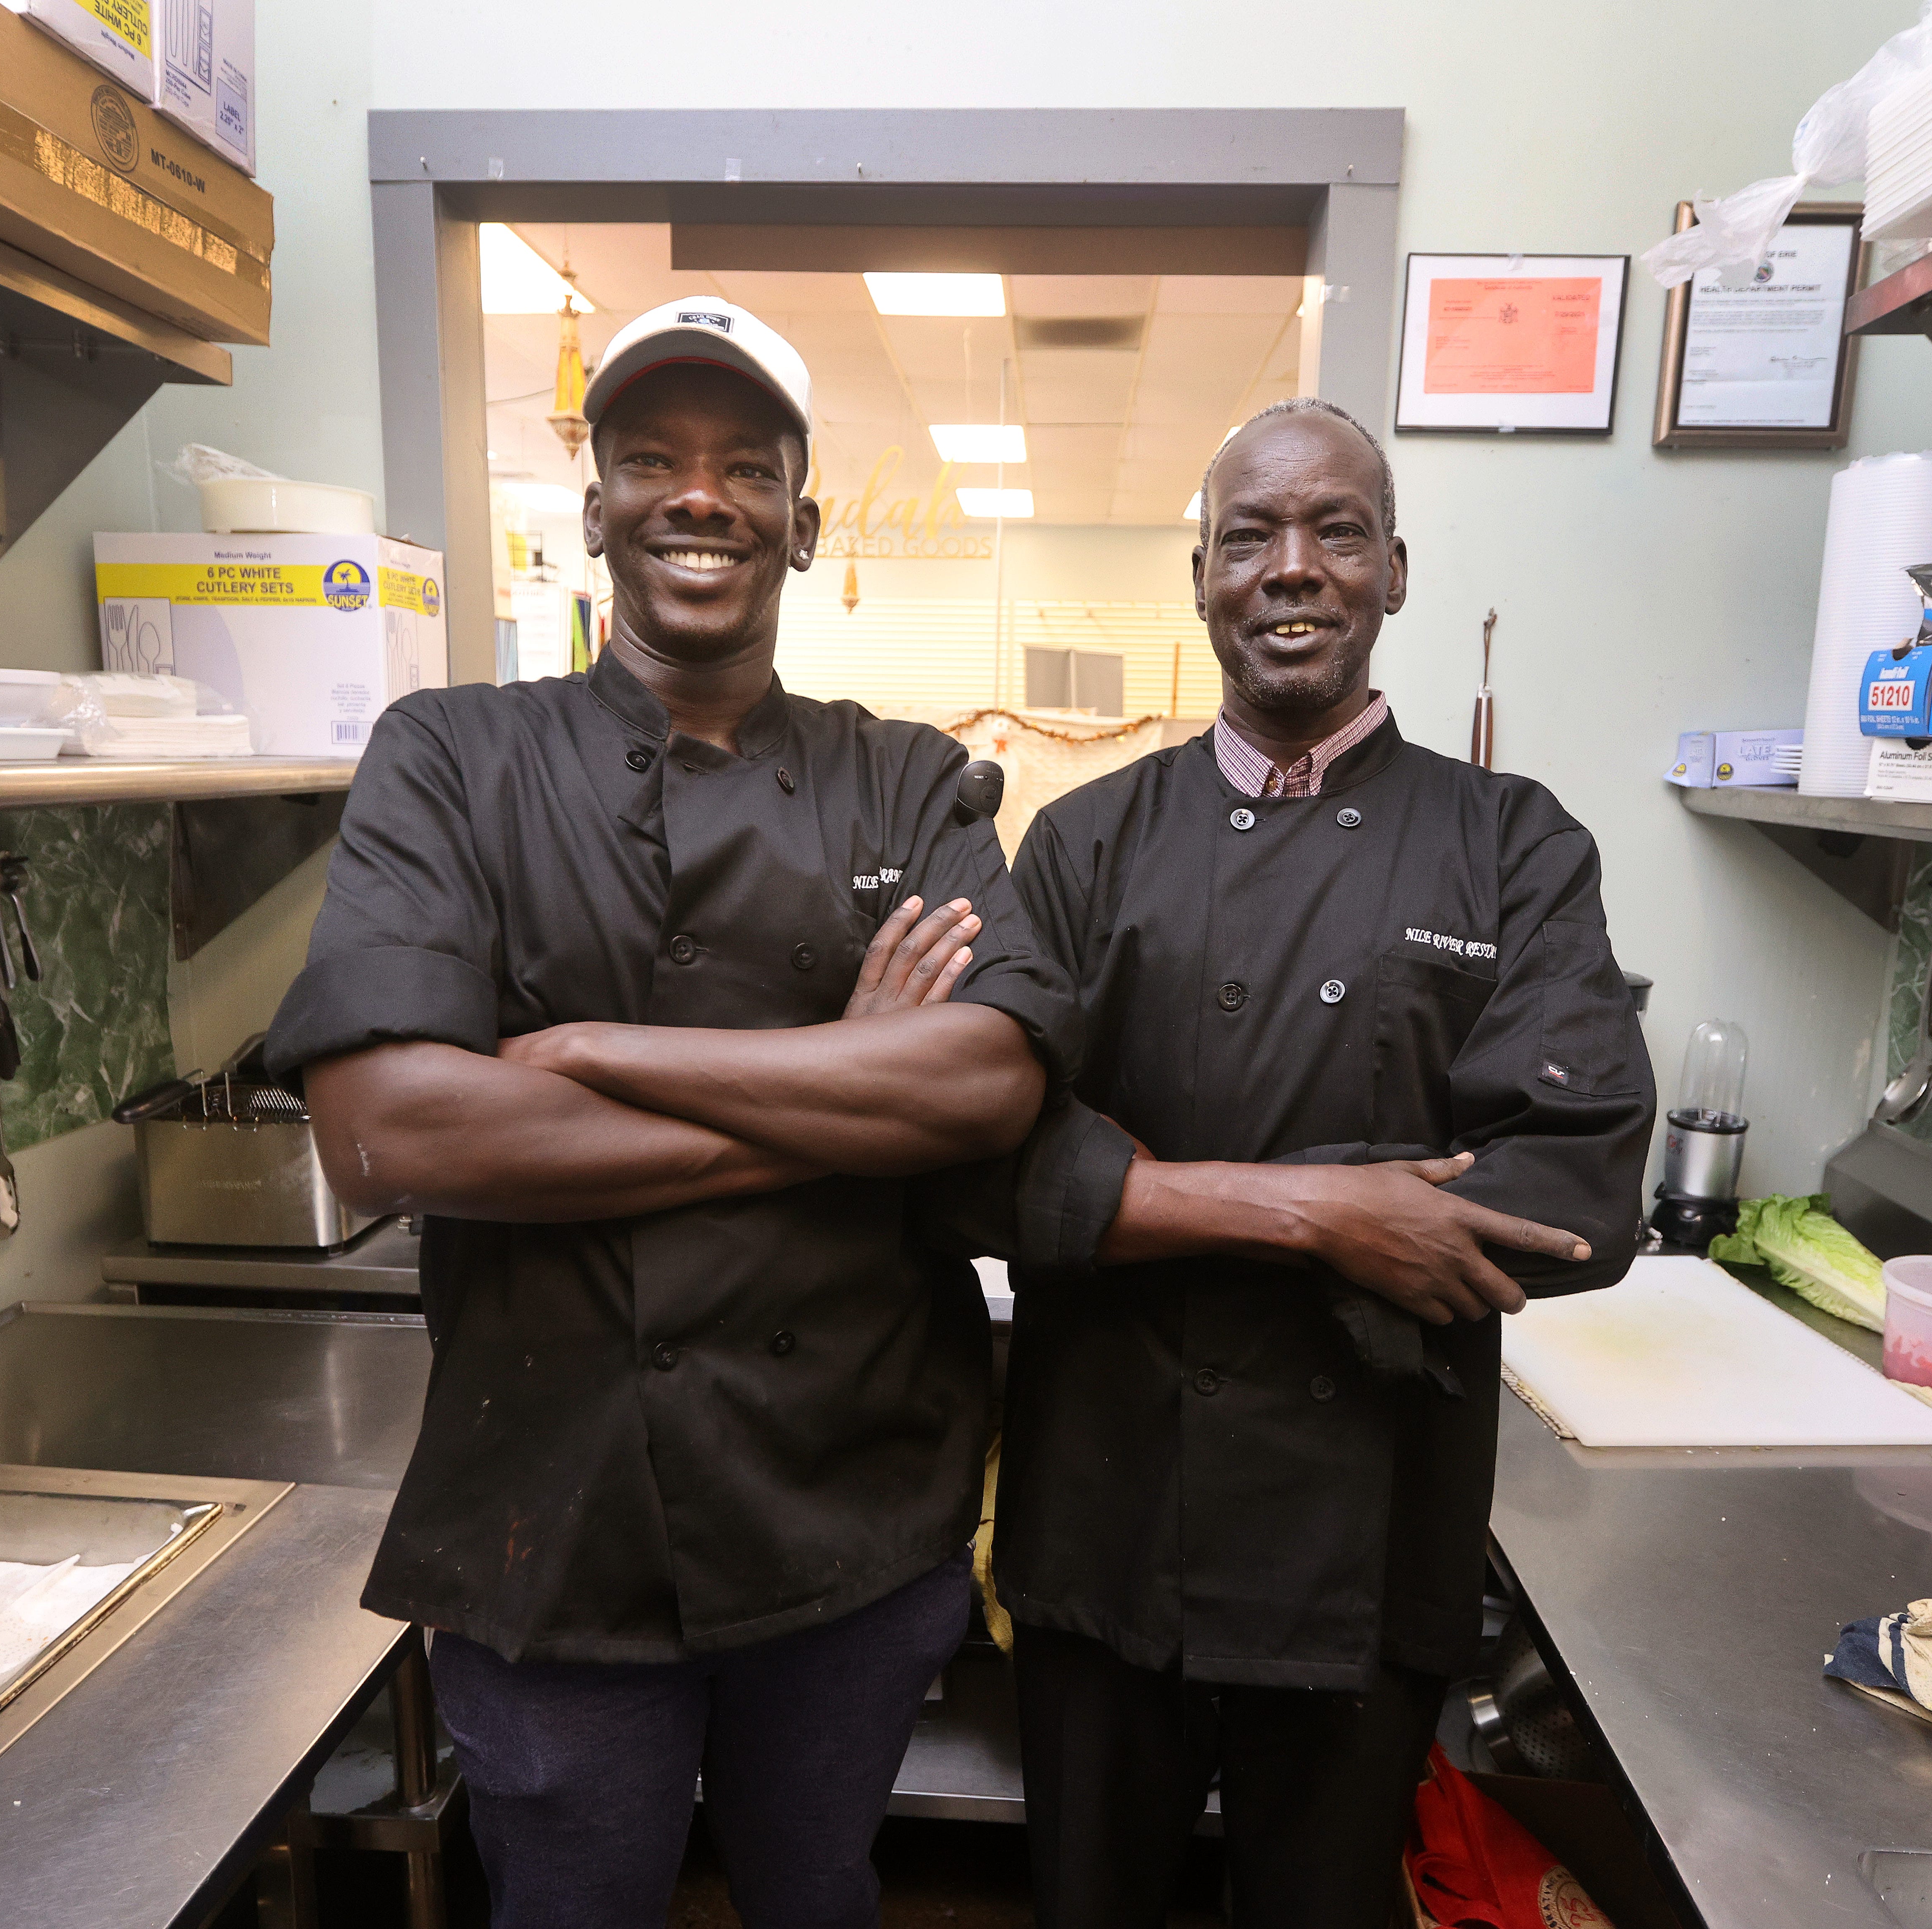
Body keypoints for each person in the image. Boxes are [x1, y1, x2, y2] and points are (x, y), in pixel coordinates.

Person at [264, 298, 1078, 1929]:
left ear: (802, 516)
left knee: (818, 1890)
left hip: (850, 1496)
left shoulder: (909, 779)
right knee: (570, 1903)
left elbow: (988, 1076)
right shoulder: (452, 756)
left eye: (745, 465)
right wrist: (843, 1088)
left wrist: (583, 1057)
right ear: (595, 507)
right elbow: (393, 1135)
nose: (696, 495)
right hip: (553, 1508)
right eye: (651, 459)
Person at [959, 397, 1657, 1926]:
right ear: (1200, 573)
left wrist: (1139, 1186)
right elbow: (980, 1161)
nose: (1293, 566)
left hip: (1369, 1522)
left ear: (1393, 571)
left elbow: (1574, 1191)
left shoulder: (1515, 846)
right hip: (1107, 1510)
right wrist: (1340, 1211)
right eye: (1251, 535)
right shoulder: (1083, 844)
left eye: (1335, 530)